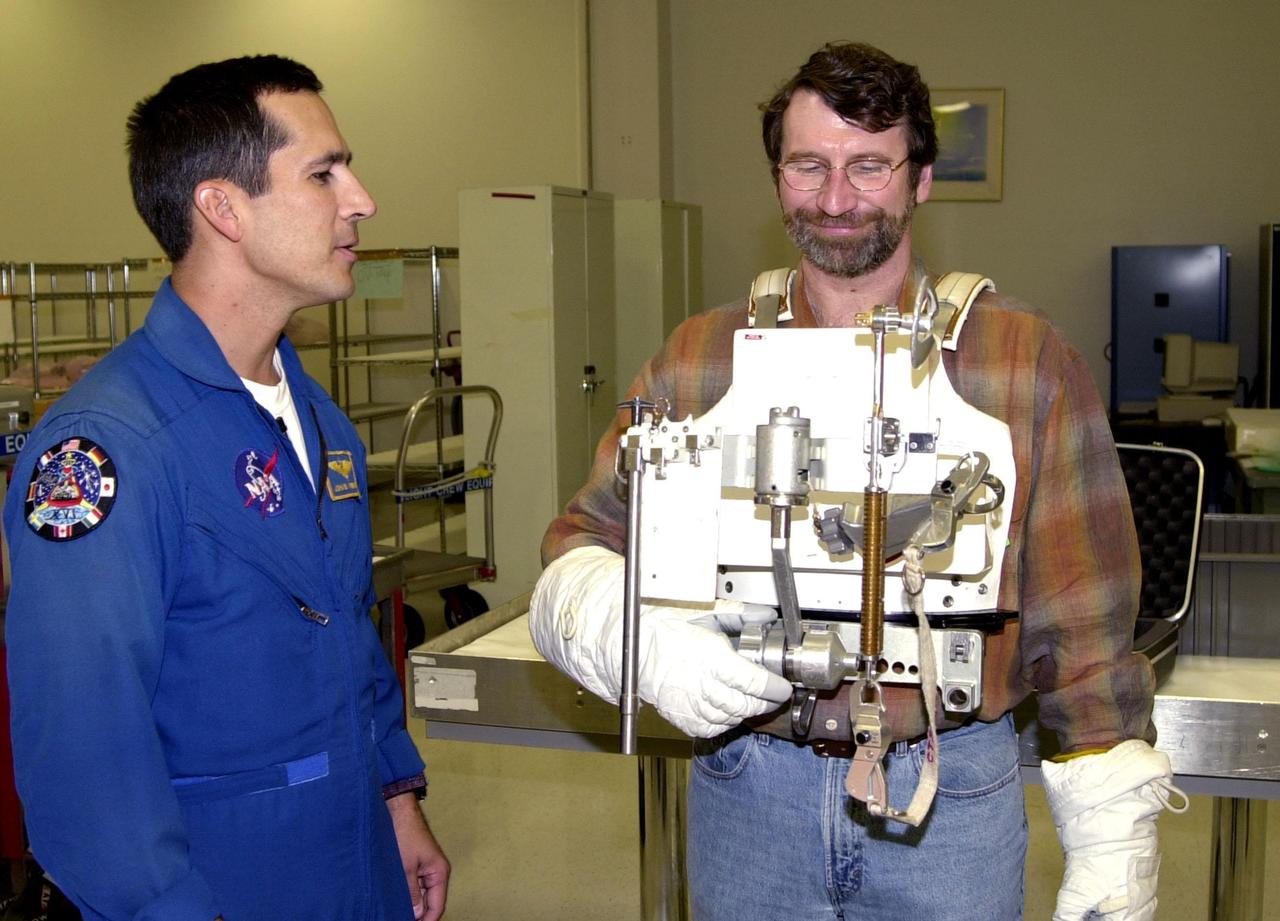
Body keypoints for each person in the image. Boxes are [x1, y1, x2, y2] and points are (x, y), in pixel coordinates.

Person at [530, 41, 1184, 920]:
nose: (836, 199)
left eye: (869, 166)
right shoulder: (699, 360)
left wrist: (1113, 842)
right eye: (809, 165)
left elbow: (1086, 612)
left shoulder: (1021, 363)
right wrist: (644, 644)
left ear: (919, 180)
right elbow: (582, 542)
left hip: (948, 790)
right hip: (747, 780)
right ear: (776, 178)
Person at [3, 55, 448, 921]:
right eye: (324, 173)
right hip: (221, 888)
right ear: (222, 207)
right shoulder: (106, 451)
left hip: (354, 865)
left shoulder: (315, 418)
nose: (361, 199)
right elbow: (84, 749)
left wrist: (398, 799)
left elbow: (346, 628)